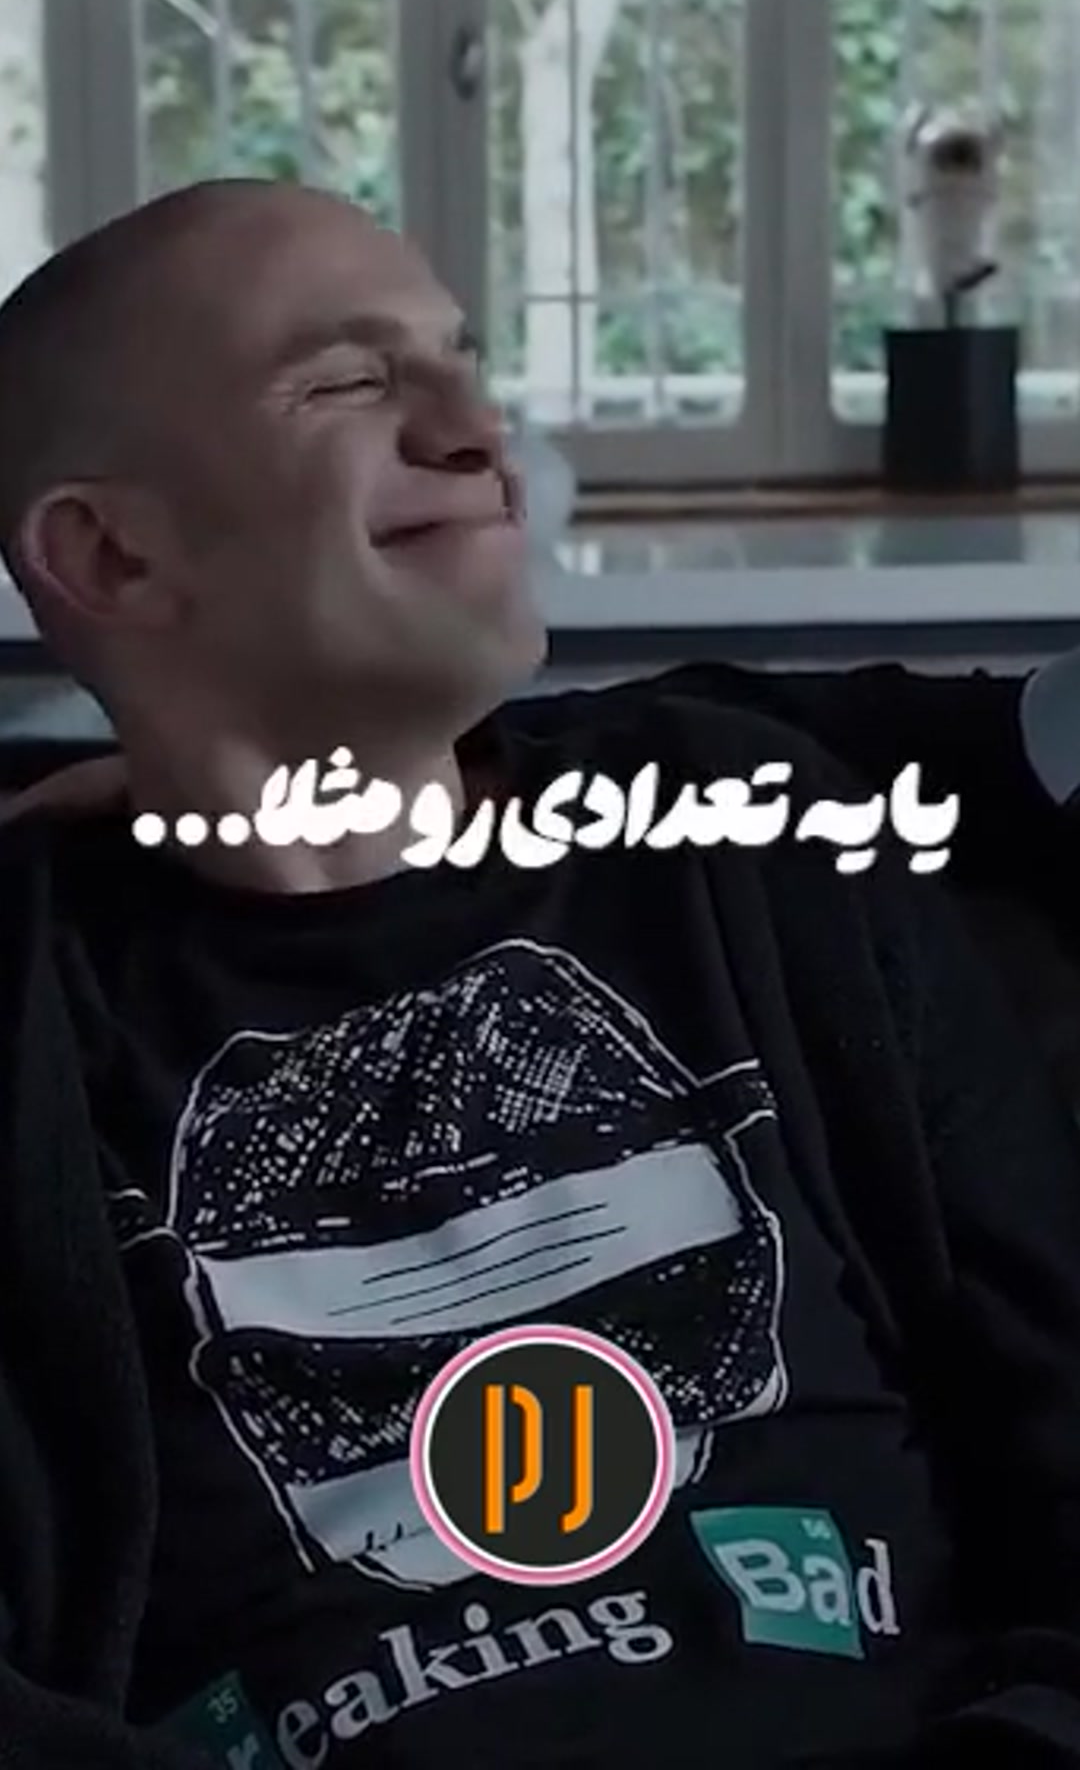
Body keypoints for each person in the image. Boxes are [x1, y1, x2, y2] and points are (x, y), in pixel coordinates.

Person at [1, 179, 1080, 1770]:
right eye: (346, 382)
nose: (480, 432)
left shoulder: (754, 843)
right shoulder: (37, 1013)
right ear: (108, 552)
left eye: (467, 361)